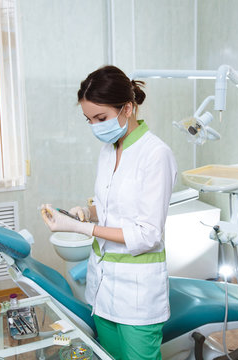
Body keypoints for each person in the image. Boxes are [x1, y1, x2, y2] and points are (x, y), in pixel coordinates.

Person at [41, 65, 177, 360]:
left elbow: (148, 234)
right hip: (103, 288)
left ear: (127, 108)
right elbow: (112, 207)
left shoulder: (156, 155)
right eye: (89, 120)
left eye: (100, 118)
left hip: (138, 296)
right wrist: (86, 214)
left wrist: (82, 229)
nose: (95, 126)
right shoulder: (108, 151)